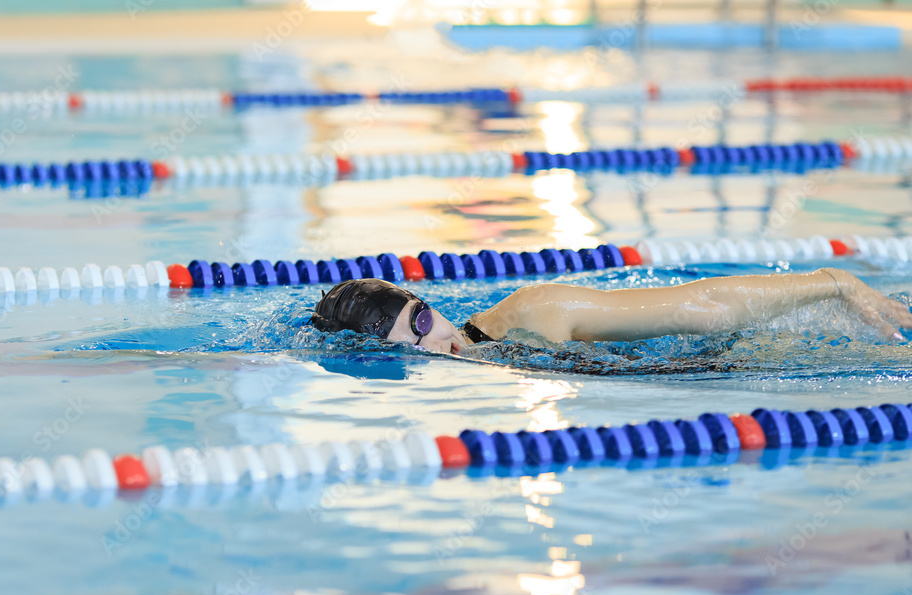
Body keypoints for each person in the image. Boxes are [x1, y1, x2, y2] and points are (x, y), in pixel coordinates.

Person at [309, 269, 912, 355]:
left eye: (423, 321)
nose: (433, 343)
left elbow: (703, 306)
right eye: (406, 345)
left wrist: (830, 284)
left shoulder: (534, 313)